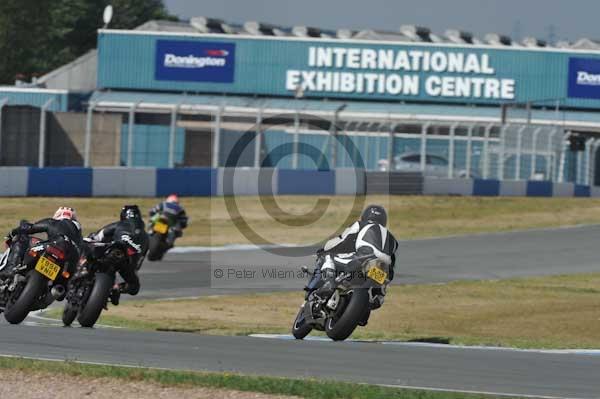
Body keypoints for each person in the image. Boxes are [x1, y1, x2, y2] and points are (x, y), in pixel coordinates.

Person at [313, 205, 398, 320]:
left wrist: (326, 249)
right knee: (380, 290)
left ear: (365, 216)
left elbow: (342, 240)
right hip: (383, 269)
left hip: (363, 258)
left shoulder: (360, 224)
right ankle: (375, 299)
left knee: (329, 256)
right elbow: (392, 262)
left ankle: (329, 284)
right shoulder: (393, 239)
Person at [1, 207, 83, 280]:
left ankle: (10, 268)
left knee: (21, 238)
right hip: (70, 261)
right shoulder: (79, 234)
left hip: (53, 246)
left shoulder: (54, 222)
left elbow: (29, 228)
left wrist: (12, 233)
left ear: (57, 215)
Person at [87, 205, 148, 302]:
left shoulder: (119, 224)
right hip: (126, 263)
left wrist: (90, 239)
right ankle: (116, 288)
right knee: (134, 286)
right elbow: (139, 262)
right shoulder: (146, 237)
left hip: (110, 252)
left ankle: (81, 269)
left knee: (87, 248)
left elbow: (98, 235)